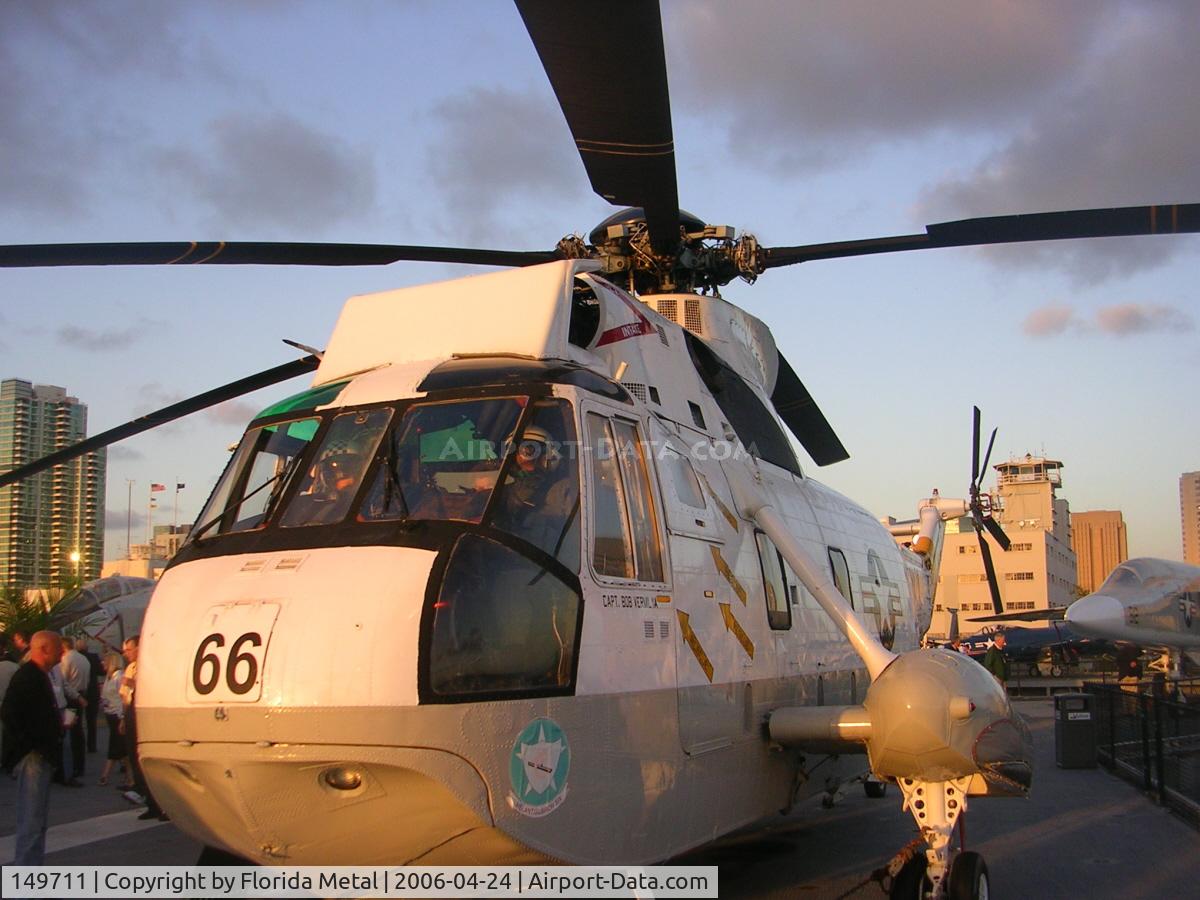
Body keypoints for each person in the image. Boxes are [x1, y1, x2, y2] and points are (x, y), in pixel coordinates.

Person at [1, 630, 65, 864]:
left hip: (38, 755)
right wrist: (30, 744)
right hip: (33, 757)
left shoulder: (38, 676)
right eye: (58, 648)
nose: (62, 654)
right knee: (32, 821)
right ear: (44, 649)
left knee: (35, 821)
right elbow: (10, 713)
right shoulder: (28, 676)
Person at [119, 636, 166, 821]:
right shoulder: (131, 668)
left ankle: (163, 806)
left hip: (146, 711)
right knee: (134, 757)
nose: (126, 654)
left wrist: (133, 683)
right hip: (131, 711)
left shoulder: (151, 665)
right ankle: (150, 803)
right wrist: (124, 717)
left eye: (129, 650)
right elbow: (124, 694)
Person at [59, 637, 89, 781]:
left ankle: (71, 766)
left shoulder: (66, 660)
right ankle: (80, 764)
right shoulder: (83, 659)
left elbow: (63, 681)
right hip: (81, 694)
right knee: (78, 732)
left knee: (68, 731)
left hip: (71, 699)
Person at [98, 652, 127, 786]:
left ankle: (105, 775)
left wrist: (122, 717)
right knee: (121, 747)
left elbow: (122, 698)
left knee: (115, 745)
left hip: (116, 714)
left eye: (105, 661)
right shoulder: (109, 677)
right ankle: (129, 774)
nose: (102, 663)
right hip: (109, 713)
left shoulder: (118, 676)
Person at [78, 637, 103, 754]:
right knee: (91, 720)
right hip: (92, 691)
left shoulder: (74, 658)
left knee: (77, 721)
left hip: (78, 692)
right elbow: (101, 671)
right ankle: (91, 746)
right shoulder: (93, 657)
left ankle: (80, 745)